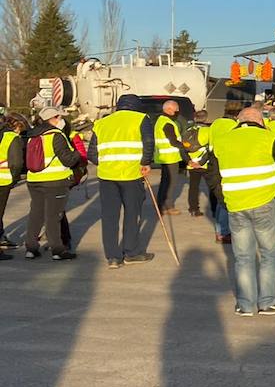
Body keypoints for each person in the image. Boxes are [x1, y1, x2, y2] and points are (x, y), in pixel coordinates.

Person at [208, 105, 275, 316]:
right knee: (268, 254)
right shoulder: (267, 138)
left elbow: (212, 175)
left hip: (236, 206)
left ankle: (245, 304)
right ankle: (267, 301)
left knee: (243, 257)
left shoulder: (222, 141)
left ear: (239, 121)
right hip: (264, 203)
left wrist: (224, 200)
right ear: (261, 121)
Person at [87, 93, 156, 268]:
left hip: (107, 176)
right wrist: (146, 163)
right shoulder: (141, 118)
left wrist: (108, 163)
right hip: (131, 175)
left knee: (109, 217)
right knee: (132, 214)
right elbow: (148, 142)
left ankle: (113, 257)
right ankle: (131, 253)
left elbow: (92, 154)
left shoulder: (101, 123)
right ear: (136, 106)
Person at [23, 107, 82, 261]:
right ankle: (57, 249)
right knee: (53, 216)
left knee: (36, 214)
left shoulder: (33, 135)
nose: (62, 120)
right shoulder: (56, 135)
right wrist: (77, 154)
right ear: (53, 118)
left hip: (34, 181)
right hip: (55, 181)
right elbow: (68, 159)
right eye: (59, 117)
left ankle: (30, 248)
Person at [153, 99, 187, 213]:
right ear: (168, 109)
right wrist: (185, 146)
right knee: (171, 183)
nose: (177, 112)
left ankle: (160, 205)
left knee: (165, 182)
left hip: (164, 156)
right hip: (170, 158)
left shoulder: (160, 121)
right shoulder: (167, 123)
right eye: (176, 110)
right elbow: (173, 141)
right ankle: (168, 206)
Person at [0, 114, 26, 252]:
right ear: (16, 126)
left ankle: (1, 237)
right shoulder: (12, 138)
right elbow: (16, 164)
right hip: (3, 180)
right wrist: (15, 179)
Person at [185, 110, 211, 217]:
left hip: (191, 164)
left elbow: (182, 148)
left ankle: (193, 209)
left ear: (195, 118)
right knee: (212, 187)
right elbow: (210, 149)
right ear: (206, 118)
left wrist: (188, 161)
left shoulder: (188, 131)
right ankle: (214, 209)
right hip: (204, 164)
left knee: (193, 187)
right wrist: (201, 162)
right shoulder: (209, 131)